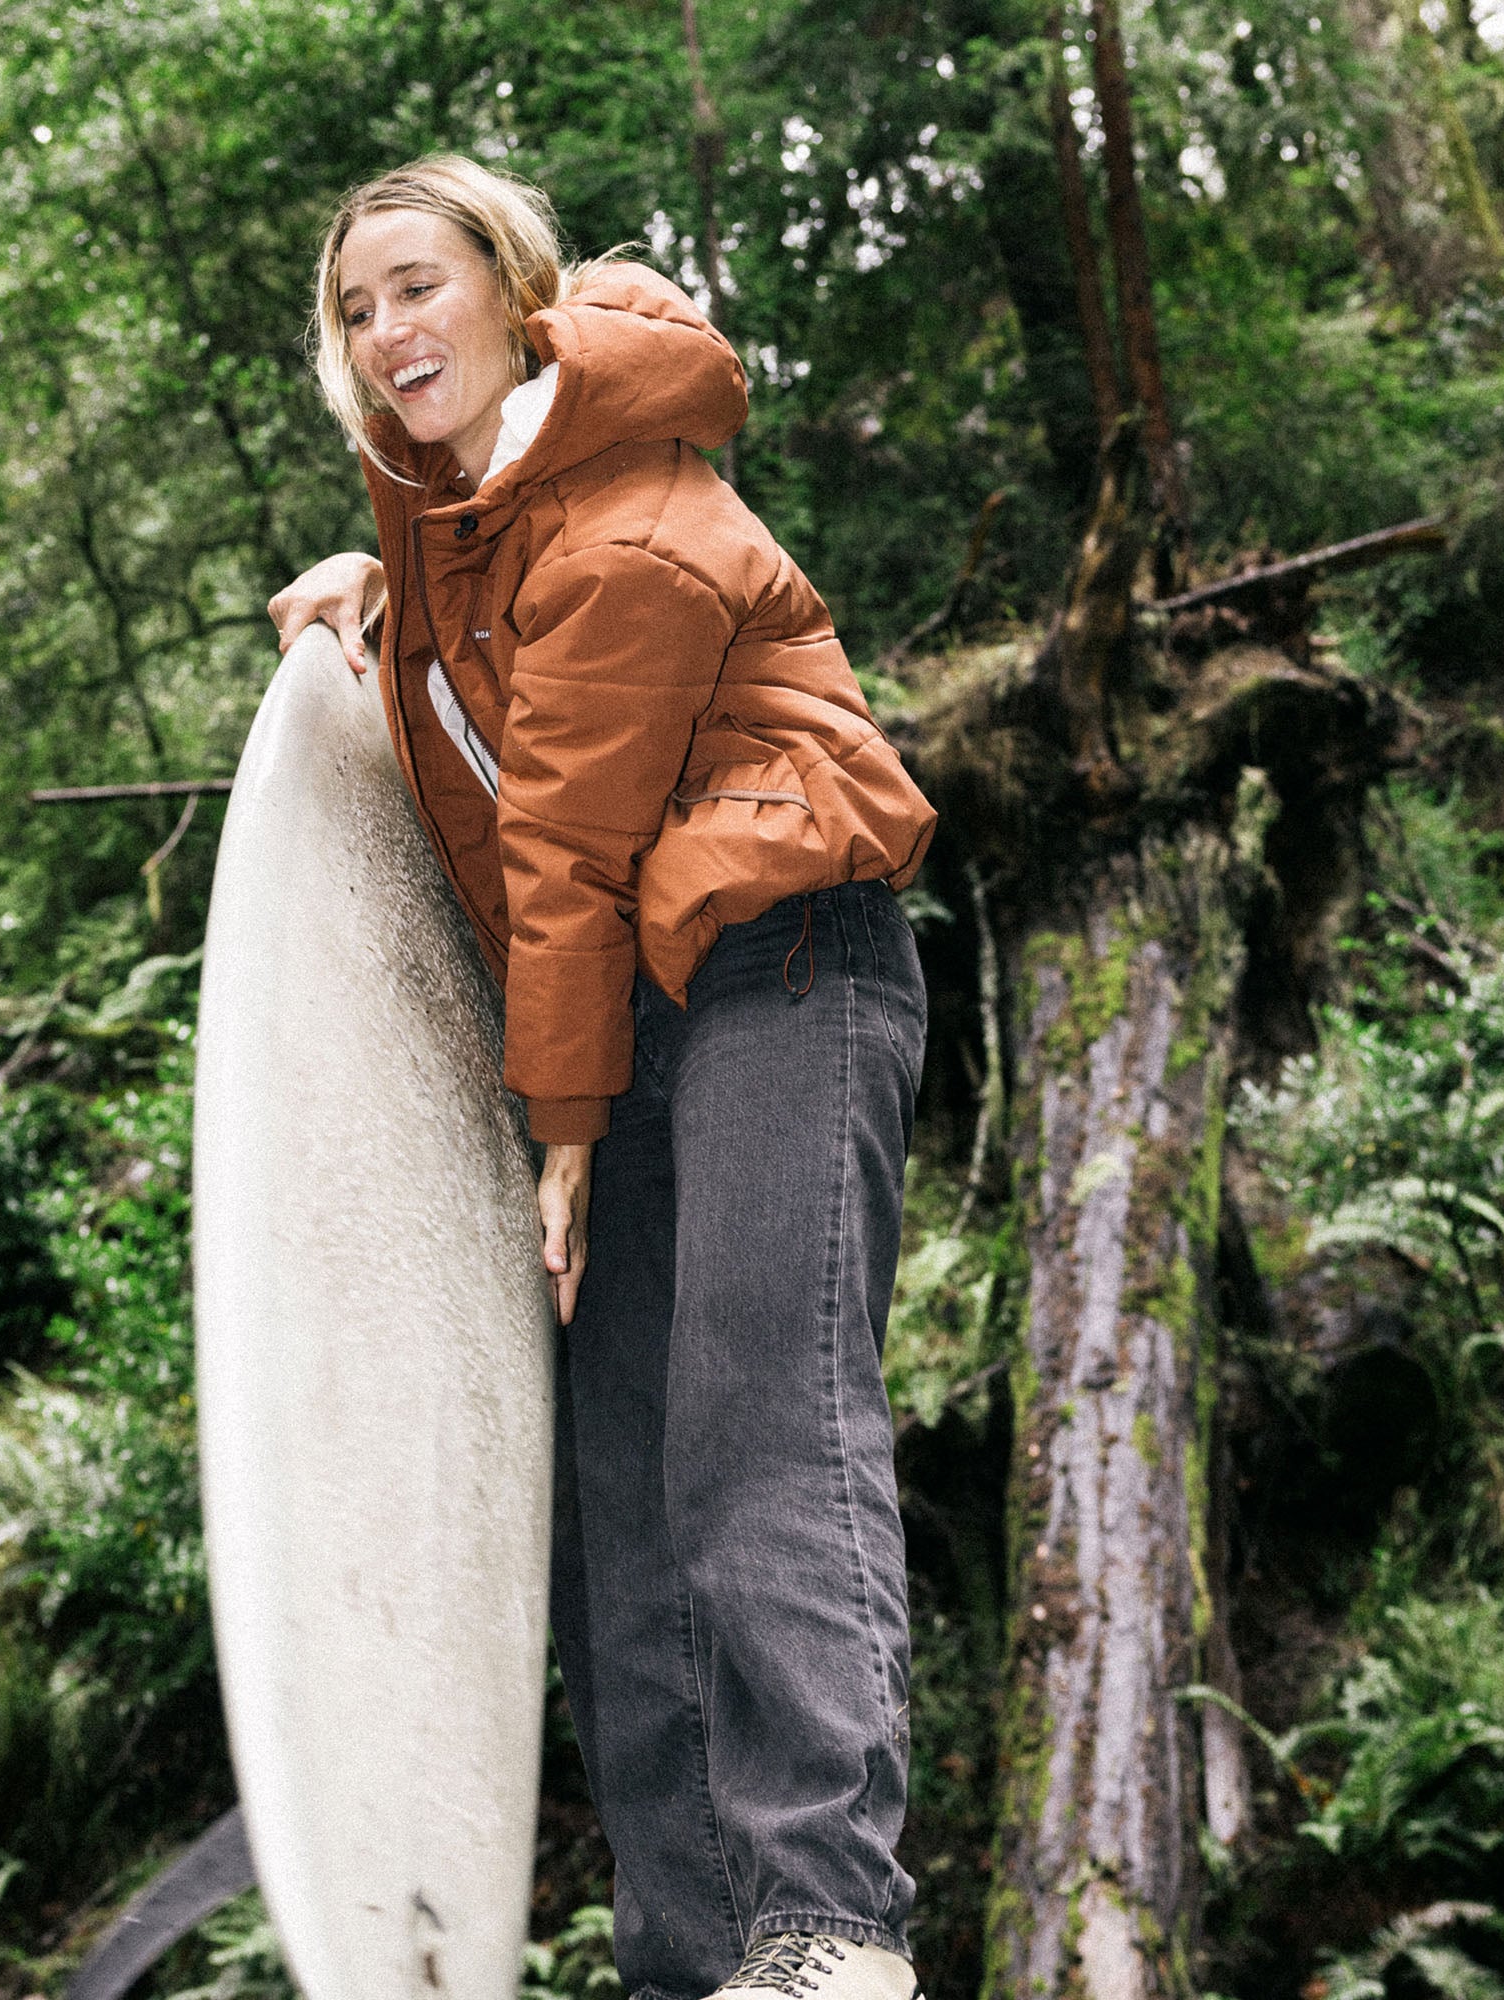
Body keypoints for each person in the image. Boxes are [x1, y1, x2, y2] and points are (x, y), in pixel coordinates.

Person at [265, 154, 937, 2000]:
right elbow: (480, 778)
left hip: (787, 957)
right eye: (357, 310)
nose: (391, 331)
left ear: (512, 282)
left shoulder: (628, 513)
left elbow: (559, 849)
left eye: (421, 285)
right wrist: (374, 609)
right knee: (620, 1505)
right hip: (640, 1016)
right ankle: (692, 1957)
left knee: (752, 1432)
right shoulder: (466, 530)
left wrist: (557, 1142)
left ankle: (826, 1929)